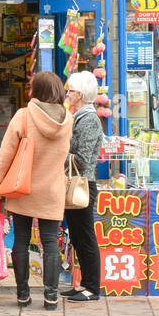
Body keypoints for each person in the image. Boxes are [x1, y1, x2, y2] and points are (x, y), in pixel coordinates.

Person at [0, 72, 73, 310]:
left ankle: (23, 294)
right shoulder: (67, 119)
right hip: (52, 189)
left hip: (22, 187)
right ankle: (51, 296)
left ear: (37, 90)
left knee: (21, 240)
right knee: (49, 242)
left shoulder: (24, 116)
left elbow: (7, 151)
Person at [63, 71, 104, 302]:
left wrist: (60, 152)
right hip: (75, 183)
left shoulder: (89, 120)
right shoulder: (79, 116)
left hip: (82, 185)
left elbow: (84, 158)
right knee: (77, 236)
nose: (67, 94)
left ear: (80, 94)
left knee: (85, 236)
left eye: (70, 90)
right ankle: (83, 283)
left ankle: (92, 287)